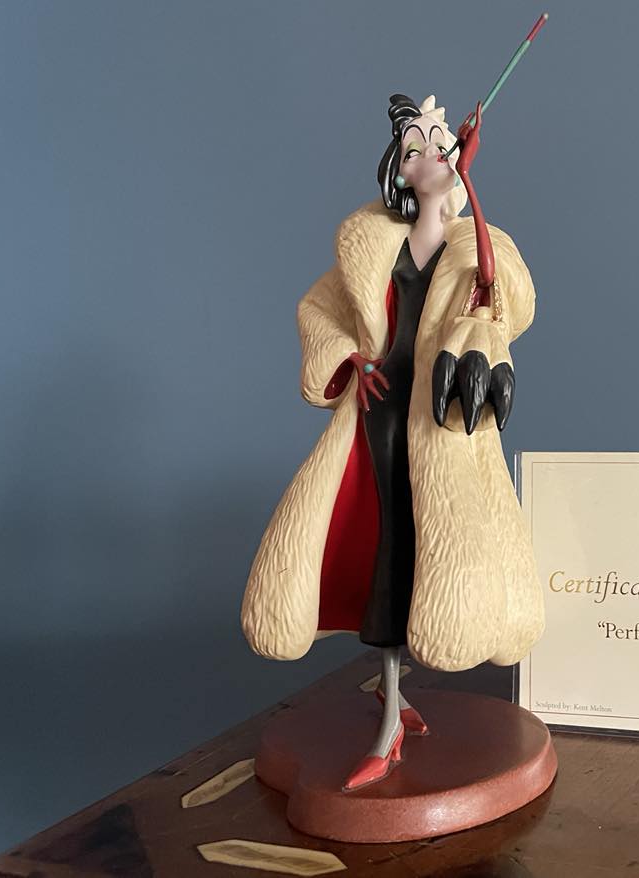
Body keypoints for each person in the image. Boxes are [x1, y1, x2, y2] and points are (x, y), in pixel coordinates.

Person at [241, 94, 543, 790]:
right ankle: (390, 705)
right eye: (415, 147)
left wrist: (471, 196)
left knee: (431, 541)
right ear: (400, 172)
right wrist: (351, 357)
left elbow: (507, 300)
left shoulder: (476, 243)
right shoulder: (372, 244)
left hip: (438, 422)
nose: (431, 150)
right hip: (376, 410)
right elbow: (318, 310)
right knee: (380, 537)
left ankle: (393, 696)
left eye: (440, 139)